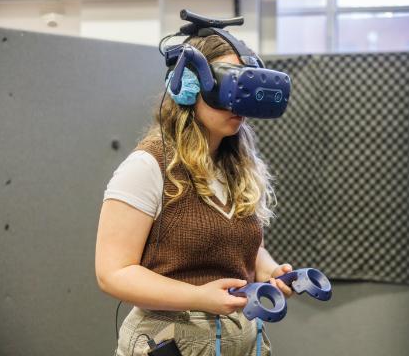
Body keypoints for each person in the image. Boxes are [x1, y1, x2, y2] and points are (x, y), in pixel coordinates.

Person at [95, 34, 293, 356]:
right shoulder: (149, 165)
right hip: (170, 342)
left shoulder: (238, 164)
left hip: (241, 340)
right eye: (230, 83)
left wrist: (268, 270)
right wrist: (198, 296)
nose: (240, 100)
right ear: (188, 86)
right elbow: (113, 273)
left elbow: (237, 242)